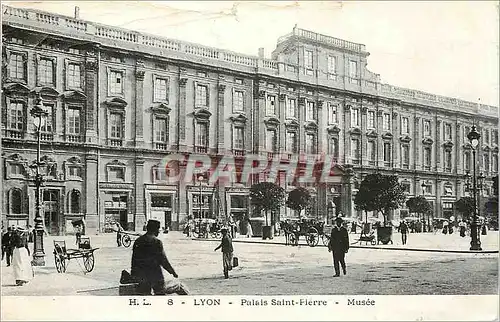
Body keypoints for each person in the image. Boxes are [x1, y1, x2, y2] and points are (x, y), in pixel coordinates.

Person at [131, 219, 189, 295]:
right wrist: (173, 272)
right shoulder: (156, 242)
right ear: (155, 229)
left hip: (141, 275)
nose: (159, 231)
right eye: (158, 229)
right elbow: (163, 260)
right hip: (155, 275)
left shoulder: (138, 241)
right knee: (160, 294)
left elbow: (134, 259)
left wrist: (134, 274)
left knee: (145, 295)